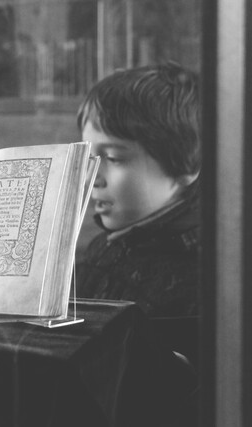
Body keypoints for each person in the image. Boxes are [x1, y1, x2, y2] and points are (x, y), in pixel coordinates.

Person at [76, 62, 201, 319]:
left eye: (114, 158)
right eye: (88, 158)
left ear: (186, 164)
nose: (91, 178)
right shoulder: (102, 247)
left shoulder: (200, 275)